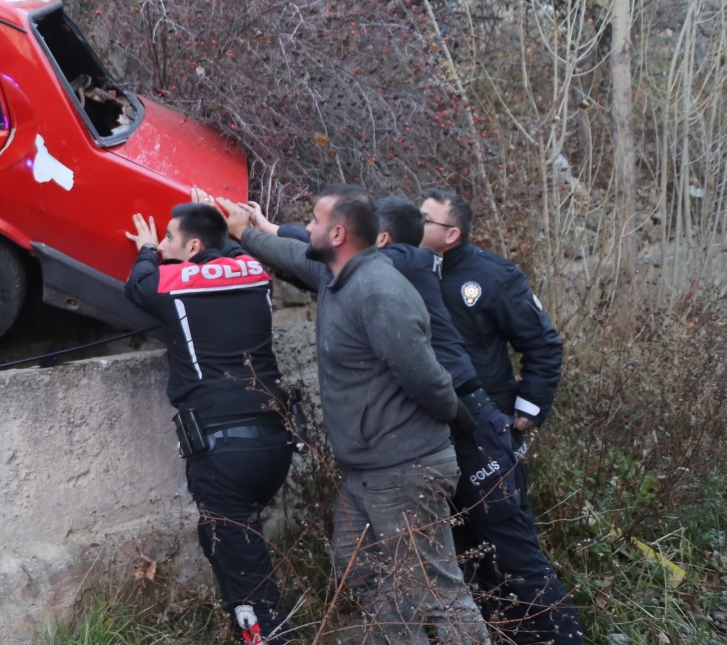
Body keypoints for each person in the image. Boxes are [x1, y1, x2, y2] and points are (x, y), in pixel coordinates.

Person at [222, 188, 489, 645]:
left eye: (315, 221)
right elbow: (288, 249)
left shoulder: (379, 290)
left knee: (436, 589)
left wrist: (456, 417)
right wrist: (245, 231)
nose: (307, 227)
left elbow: (425, 376)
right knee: (361, 571)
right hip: (365, 472)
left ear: (339, 234)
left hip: (407, 470)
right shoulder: (335, 274)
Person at [124, 203, 296, 645]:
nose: (162, 244)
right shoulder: (255, 270)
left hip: (222, 451)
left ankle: (264, 636)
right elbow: (237, 254)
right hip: (274, 443)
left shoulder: (172, 280)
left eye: (167, 237)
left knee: (245, 575)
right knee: (226, 542)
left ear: (193, 245)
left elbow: (139, 287)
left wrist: (145, 251)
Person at [421, 190, 582, 644]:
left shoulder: (491, 276)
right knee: (465, 557)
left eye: (426, 220)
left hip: (488, 438)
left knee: (513, 554)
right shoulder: (406, 272)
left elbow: (543, 345)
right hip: (432, 443)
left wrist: (523, 417)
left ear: (451, 234)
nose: (417, 225)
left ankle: (558, 637)